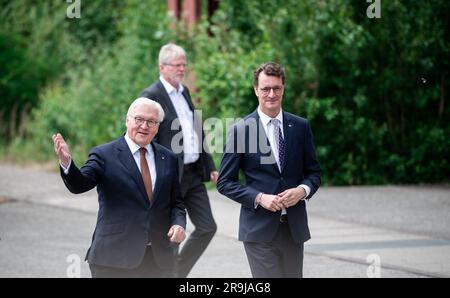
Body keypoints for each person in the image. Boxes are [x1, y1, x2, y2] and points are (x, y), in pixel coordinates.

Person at [52, 97, 186, 278]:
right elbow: (80, 184)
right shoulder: (104, 154)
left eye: (151, 122)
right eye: (139, 119)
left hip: (158, 260)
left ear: (158, 126)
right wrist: (67, 162)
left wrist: (178, 224)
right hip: (114, 259)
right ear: (127, 120)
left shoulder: (168, 157)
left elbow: (176, 202)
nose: (144, 126)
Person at [217, 62, 321, 278]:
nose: (271, 94)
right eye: (265, 89)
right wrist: (259, 198)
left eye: (277, 88)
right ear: (256, 90)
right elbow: (225, 182)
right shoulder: (241, 131)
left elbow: (314, 173)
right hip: (258, 231)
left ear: (283, 88)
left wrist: (302, 191)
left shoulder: (300, 126)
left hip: (294, 229)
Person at [139, 43, 217, 278]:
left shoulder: (184, 92)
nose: (182, 69)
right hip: (169, 176)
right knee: (173, 233)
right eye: (177, 65)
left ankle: (176, 274)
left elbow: (197, 129)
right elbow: (144, 137)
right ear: (162, 67)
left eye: (184, 64)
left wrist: (210, 166)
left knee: (207, 227)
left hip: (193, 174)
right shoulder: (151, 96)